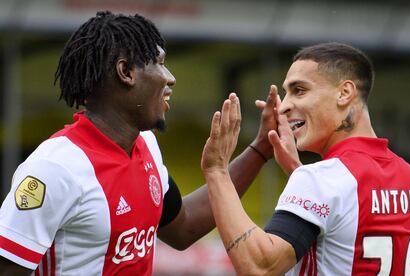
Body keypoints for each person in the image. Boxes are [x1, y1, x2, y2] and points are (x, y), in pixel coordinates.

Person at [0, 11, 300, 275]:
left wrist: (261, 149)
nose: (170, 79)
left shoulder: (146, 146)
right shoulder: (56, 168)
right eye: (159, 64)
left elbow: (183, 227)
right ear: (125, 72)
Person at [201, 42, 410, 275]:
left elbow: (260, 266)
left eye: (299, 90)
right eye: (286, 92)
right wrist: (297, 172)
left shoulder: (320, 179)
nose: (284, 106)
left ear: (344, 93)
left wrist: (217, 171)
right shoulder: (409, 176)